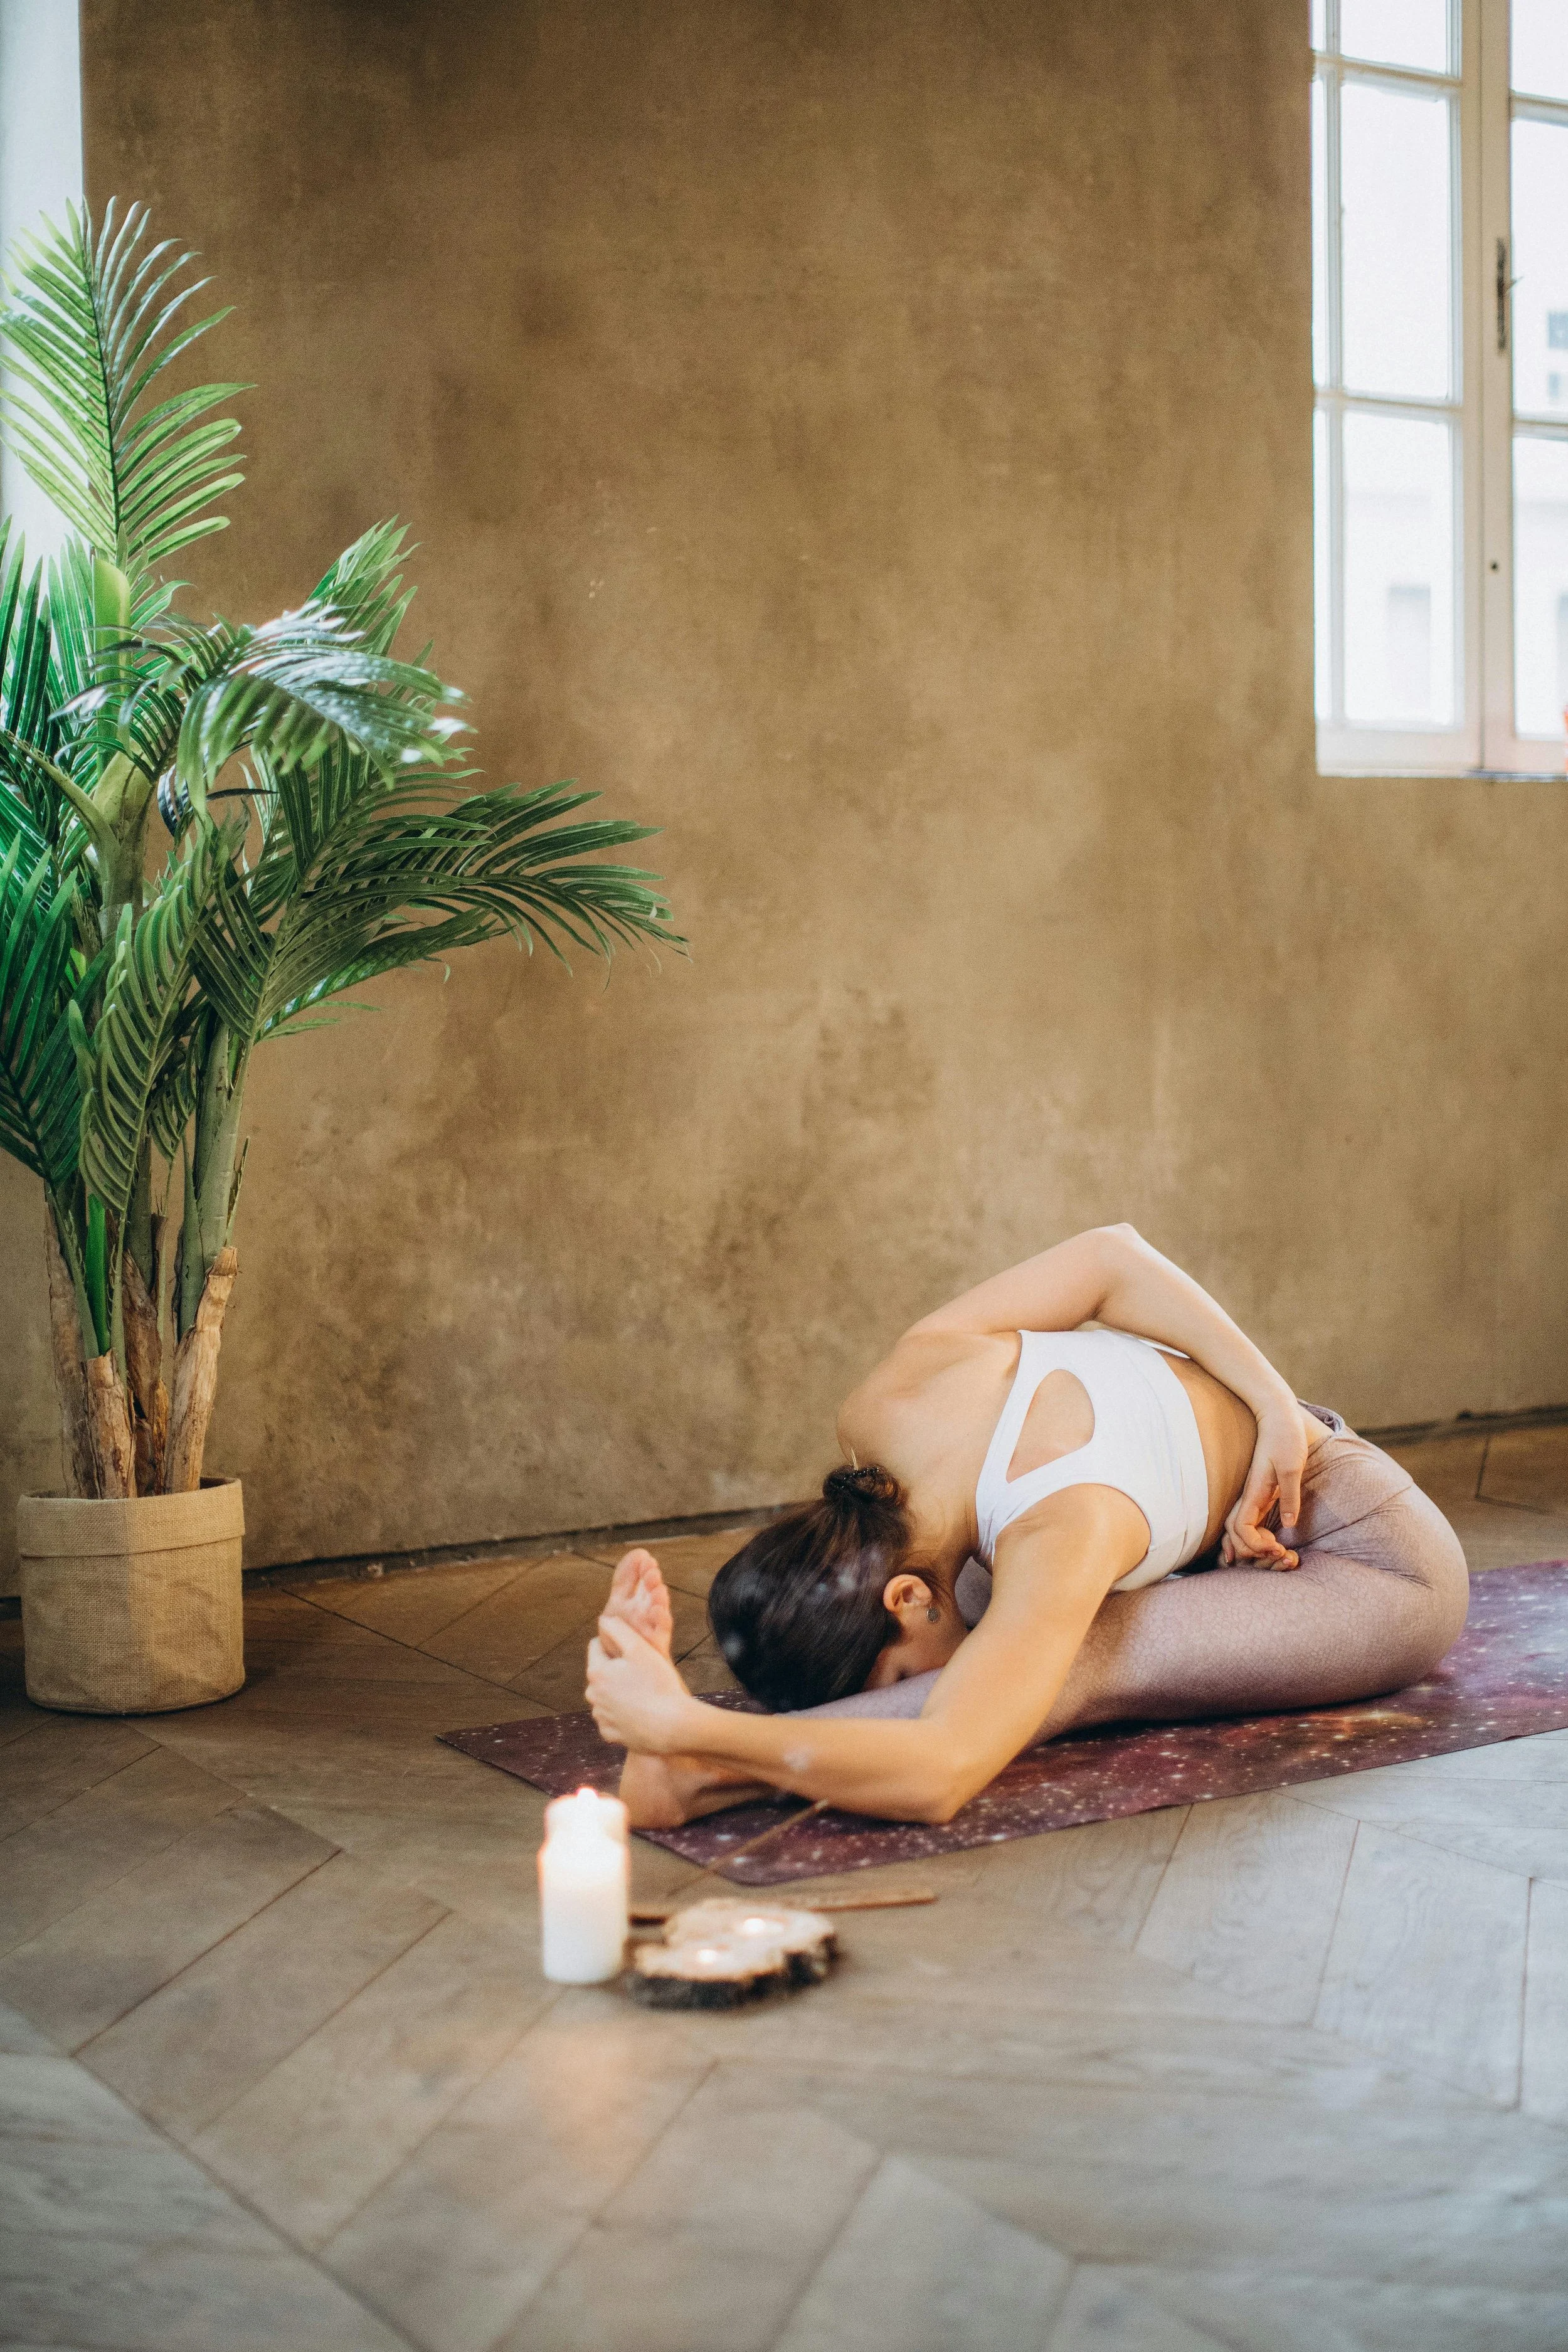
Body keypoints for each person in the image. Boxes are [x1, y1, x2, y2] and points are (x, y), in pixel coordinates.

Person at [585, 1224, 1468, 1828]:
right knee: (1003, 1632)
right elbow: (1110, 1257)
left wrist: (690, 1727)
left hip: (1367, 1561)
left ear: (904, 1594)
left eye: (889, 1672)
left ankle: (701, 1773)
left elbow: (943, 1771)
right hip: (1204, 1531)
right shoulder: (883, 1409)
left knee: (1067, 1656)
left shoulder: (1063, 1528)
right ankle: (699, 1764)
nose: (904, 1672)